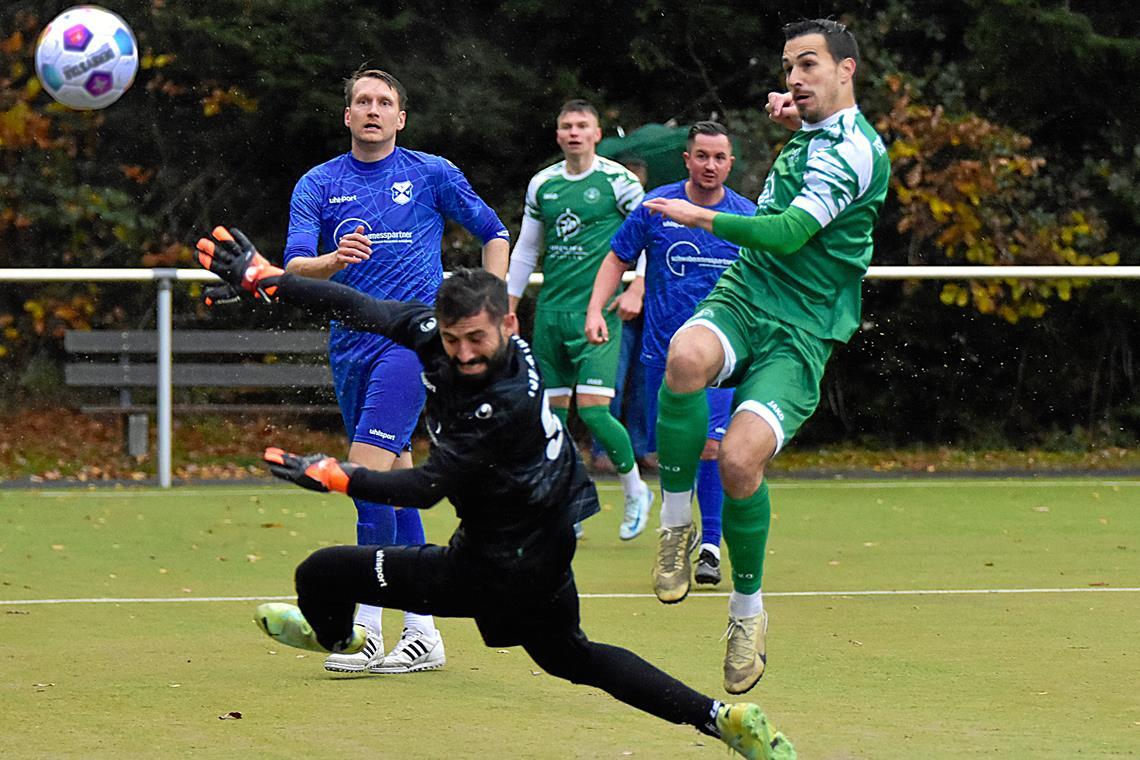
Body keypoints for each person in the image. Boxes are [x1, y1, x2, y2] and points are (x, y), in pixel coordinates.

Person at [193, 227, 795, 760]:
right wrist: (267, 280)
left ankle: (343, 637)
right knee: (572, 657)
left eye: (476, 340)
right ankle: (723, 720)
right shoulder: (448, 336)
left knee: (320, 573)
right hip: (548, 538)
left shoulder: (499, 403)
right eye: (453, 340)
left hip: (496, 564)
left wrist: (337, 475)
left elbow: (425, 488)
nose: (464, 354)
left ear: (508, 324)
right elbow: (360, 306)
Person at [640, 19, 891, 695]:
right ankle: (674, 523)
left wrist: (700, 217)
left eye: (808, 65)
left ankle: (747, 612)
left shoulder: (858, 152)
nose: (794, 79)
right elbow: (807, 149)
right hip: (747, 294)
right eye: (788, 68)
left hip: (803, 329)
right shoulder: (816, 128)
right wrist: (795, 116)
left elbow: (785, 232)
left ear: (848, 71)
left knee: (744, 459)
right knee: (686, 356)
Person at [282, 67, 510, 675]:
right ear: (348, 115)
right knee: (395, 474)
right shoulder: (319, 184)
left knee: (363, 475)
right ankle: (424, 630)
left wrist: (494, 302)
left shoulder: (431, 173)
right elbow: (294, 270)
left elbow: (493, 232)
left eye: (385, 102)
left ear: (400, 118)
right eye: (363, 101)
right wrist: (333, 259)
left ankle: (362, 629)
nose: (374, 109)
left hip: (413, 344)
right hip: (349, 346)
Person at [585, 121, 756, 588]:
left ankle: (709, 546)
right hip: (664, 355)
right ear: (687, 159)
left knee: (713, 446)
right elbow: (618, 257)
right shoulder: (657, 207)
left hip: (724, 354)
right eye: (702, 155)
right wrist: (596, 309)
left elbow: (768, 279)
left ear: (730, 163)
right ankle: (678, 531)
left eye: (719, 157)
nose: (710, 165)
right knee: (676, 452)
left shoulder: (744, 217)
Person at [506, 100, 654, 540]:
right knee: (551, 418)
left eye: (582, 125)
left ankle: (634, 490)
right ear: (558, 135)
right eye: (566, 126)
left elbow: (649, 233)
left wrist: (637, 286)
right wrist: (508, 309)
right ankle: (570, 503)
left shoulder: (618, 181)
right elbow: (527, 250)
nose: (574, 132)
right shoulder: (544, 185)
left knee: (594, 412)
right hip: (552, 313)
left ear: (595, 133)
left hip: (599, 313)